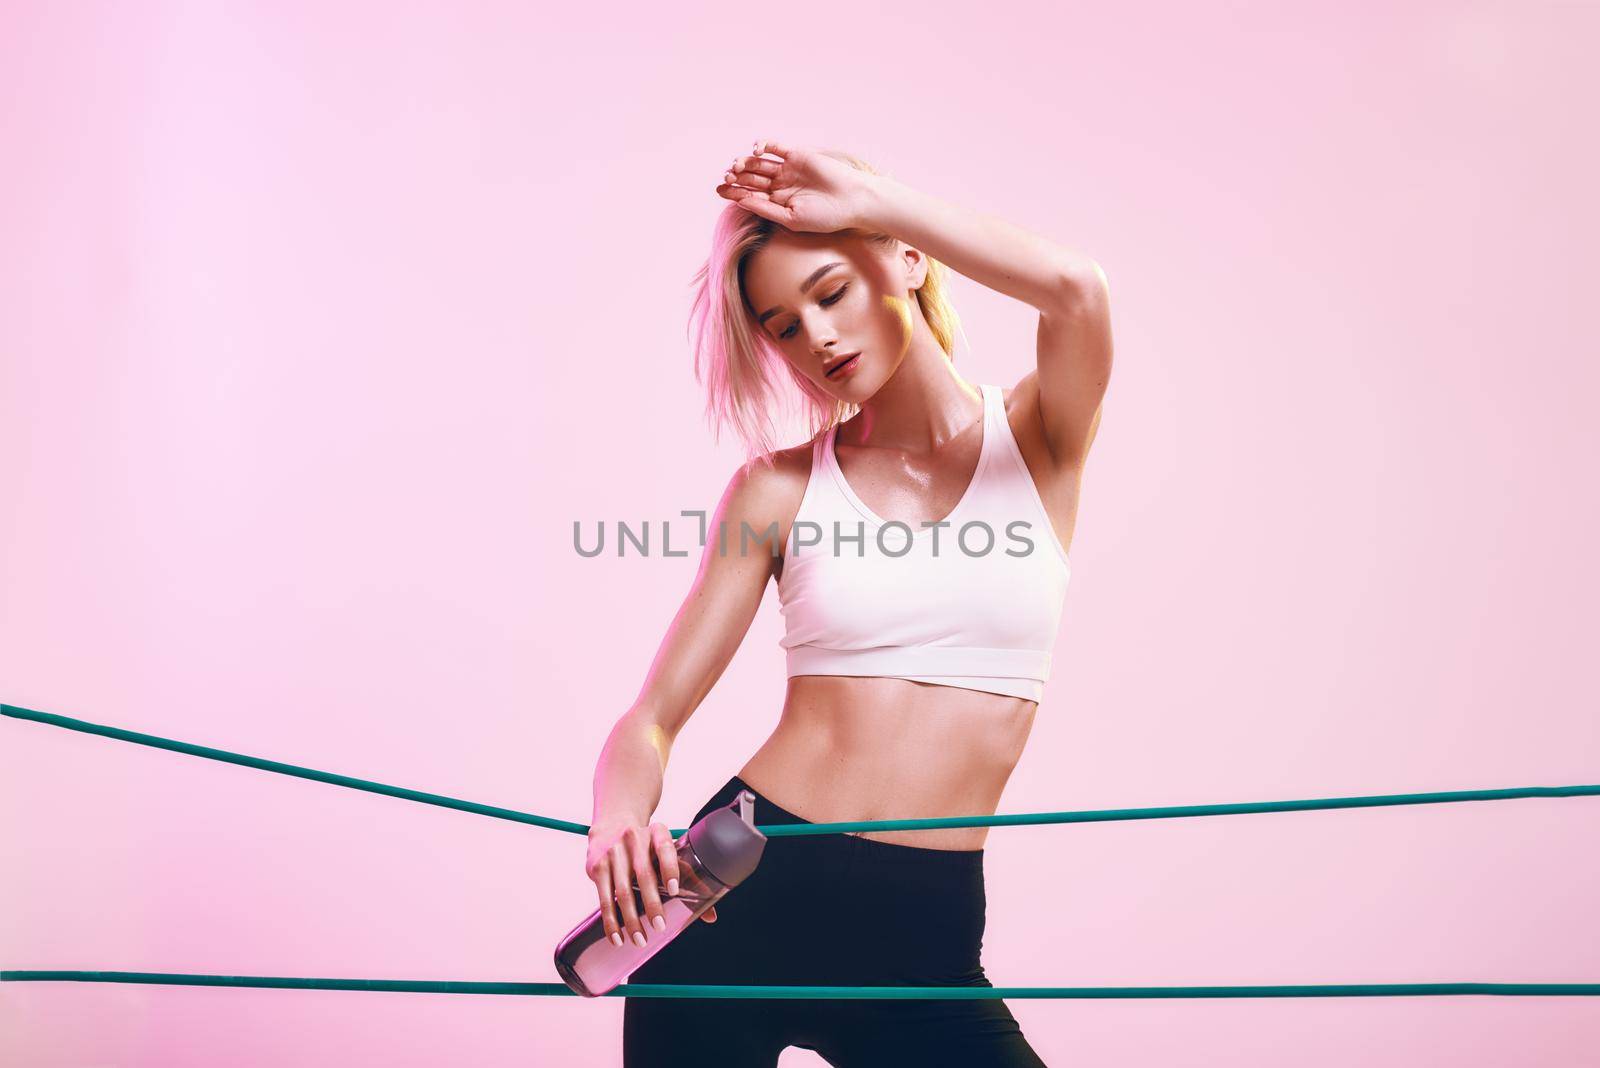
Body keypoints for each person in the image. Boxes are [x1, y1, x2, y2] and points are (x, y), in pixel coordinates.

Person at [584, 139, 1112, 1066]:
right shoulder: (777, 490)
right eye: (783, 326)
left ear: (906, 261)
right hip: (735, 905)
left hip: (925, 940)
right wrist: (619, 818)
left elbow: (1077, 290)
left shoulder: (1038, 439)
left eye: (830, 292)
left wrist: (875, 198)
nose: (816, 338)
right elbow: (649, 721)